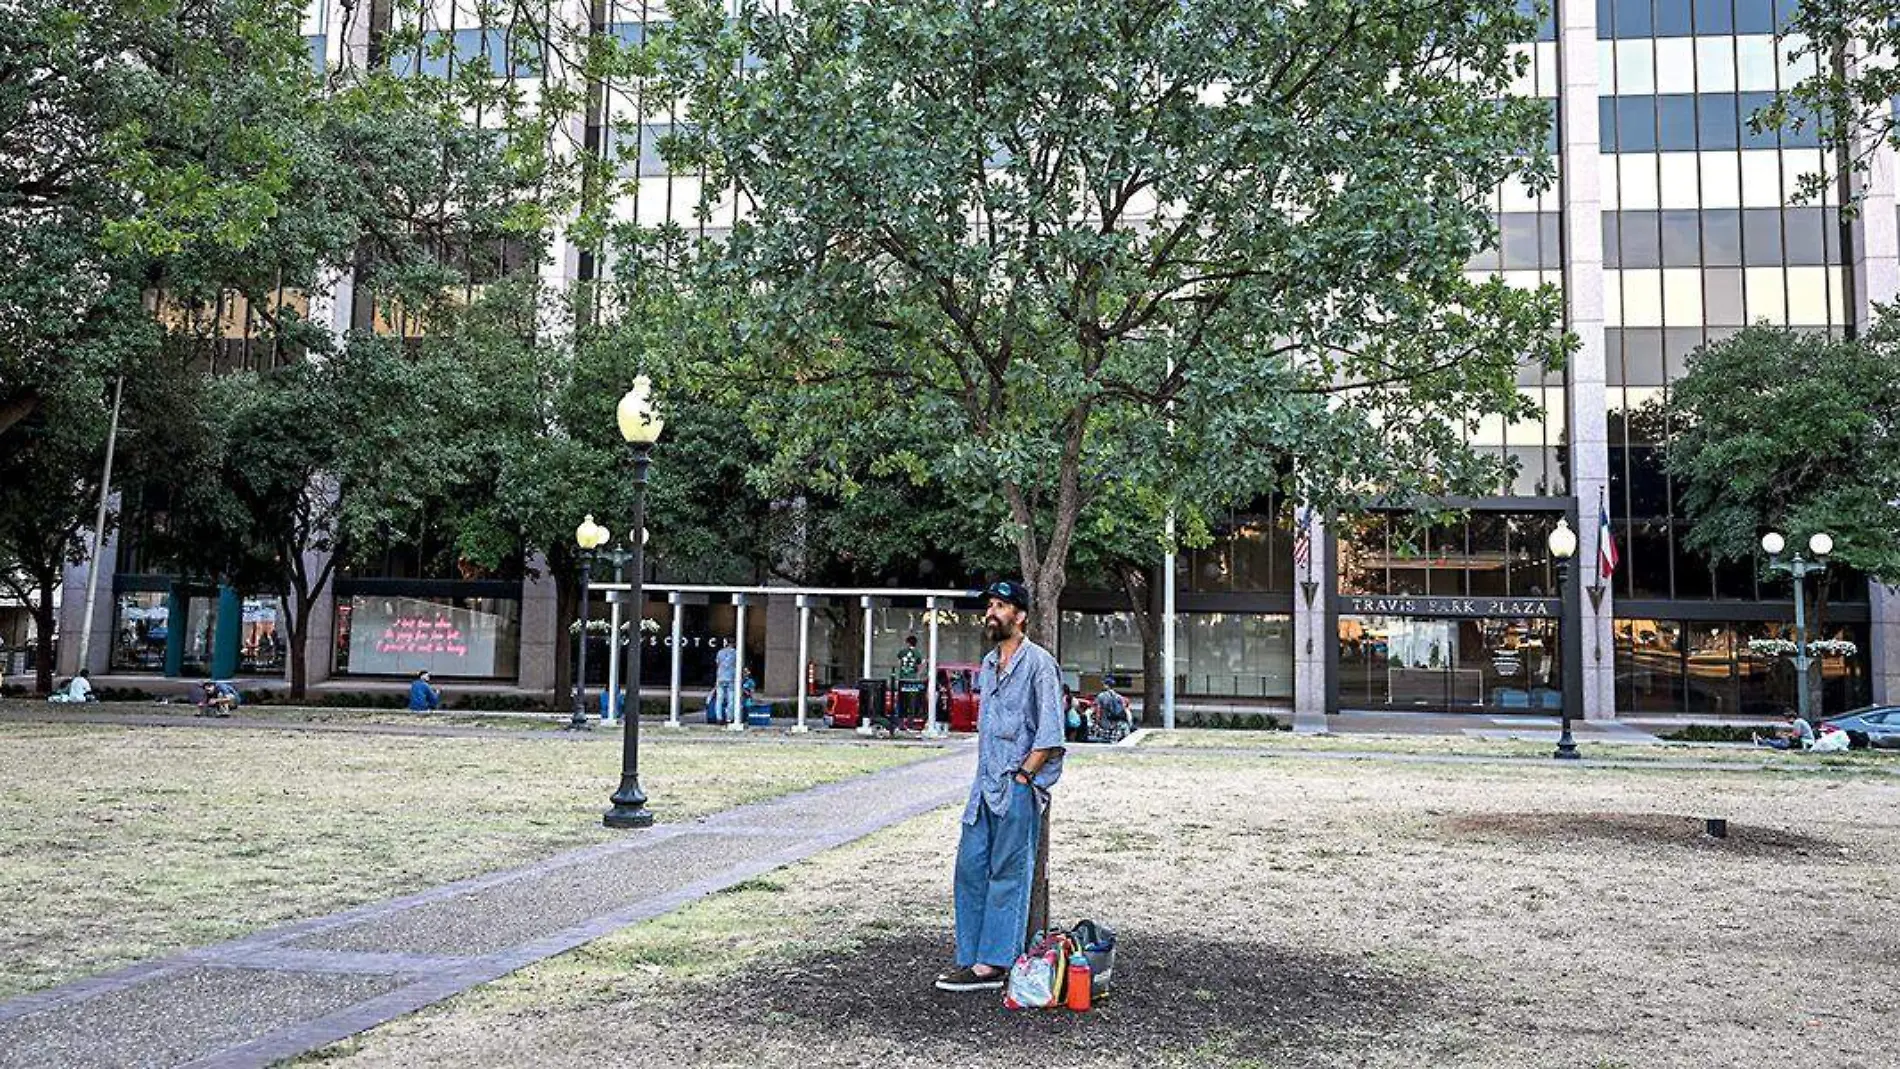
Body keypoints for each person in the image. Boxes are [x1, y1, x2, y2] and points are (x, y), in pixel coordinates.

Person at [935, 580, 1066, 993]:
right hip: (983, 786)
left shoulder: (1039, 664)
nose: (992, 612)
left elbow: (1050, 733)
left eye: (1001, 605)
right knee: (970, 867)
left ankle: (992, 965)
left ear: (1020, 616)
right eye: (990, 605)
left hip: (1018, 786)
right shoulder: (989, 665)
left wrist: (1026, 777)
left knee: (1009, 872)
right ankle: (971, 956)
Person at [894, 634, 923, 732]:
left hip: (902, 680)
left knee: (901, 702)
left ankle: (900, 723)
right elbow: (919, 666)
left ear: (907, 642)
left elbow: (898, 663)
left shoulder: (902, 652)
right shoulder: (917, 653)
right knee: (911, 703)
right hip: (912, 681)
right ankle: (910, 723)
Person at [712, 643, 738, 724]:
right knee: (731, 699)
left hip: (720, 678)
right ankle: (729, 718)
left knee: (719, 699)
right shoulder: (736, 652)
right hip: (731, 678)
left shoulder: (720, 652)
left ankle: (719, 718)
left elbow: (717, 663)